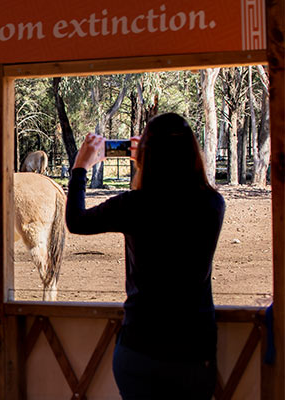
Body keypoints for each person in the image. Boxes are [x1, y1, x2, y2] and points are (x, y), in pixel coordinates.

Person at [65, 113, 225, 399]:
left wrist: (80, 168)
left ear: (147, 156)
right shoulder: (212, 204)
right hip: (193, 350)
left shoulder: (133, 207)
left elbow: (76, 221)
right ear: (192, 151)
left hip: (140, 347)